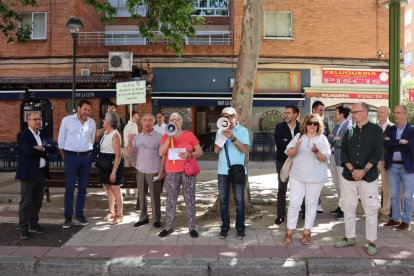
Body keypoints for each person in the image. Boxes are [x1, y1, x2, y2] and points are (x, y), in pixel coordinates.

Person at [335, 102, 382, 256]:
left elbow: (377, 154)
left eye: (355, 112)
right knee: (348, 207)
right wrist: (353, 170)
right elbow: (344, 153)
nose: (352, 115)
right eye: (352, 112)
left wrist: (364, 171)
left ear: (365, 112)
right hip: (349, 176)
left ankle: (372, 241)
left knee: (370, 208)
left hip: (369, 177)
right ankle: (350, 237)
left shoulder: (376, 130)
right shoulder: (349, 130)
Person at [282, 114, 330, 245]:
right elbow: (289, 153)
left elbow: (325, 158)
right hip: (297, 176)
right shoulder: (298, 137)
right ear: (305, 124)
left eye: (316, 124)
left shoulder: (322, 139)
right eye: (310, 123)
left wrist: (316, 152)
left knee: (311, 204)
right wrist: (296, 148)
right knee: (294, 203)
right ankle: (289, 231)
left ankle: (307, 231)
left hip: (316, 178)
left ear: (319, 126)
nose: (312, 126)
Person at [158, 112, 203, 238]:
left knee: (190, 198)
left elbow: (200, 151)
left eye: (176, 119)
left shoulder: (189, 135)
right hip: (172, 171)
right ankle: (169, 226)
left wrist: (190, 155)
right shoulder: (166, 136)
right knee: (171, 199)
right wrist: (169, 138)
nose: (174, 122)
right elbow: (162, 152)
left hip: (187, 170)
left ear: (181, 122)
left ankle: (192, 227)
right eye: (171, 120)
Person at [58, 99, 96, 229]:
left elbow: (91, 141)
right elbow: (61, 141)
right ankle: (68, 217)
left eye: (89, 110)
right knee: (69, 188)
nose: (87, 112)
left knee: (83, 188)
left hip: (86, 158)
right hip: (71, 157)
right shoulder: (67, 120)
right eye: (85, 109)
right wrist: (66, 158)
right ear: (78, 108)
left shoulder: (92, 123)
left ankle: (79, 214)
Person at [214, 107, 250, 239]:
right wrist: (223, 136)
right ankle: (225, 228)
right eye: (224, 116)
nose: (227, 118)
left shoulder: (243, 130)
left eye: (229, 116)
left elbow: (244, 150)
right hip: (223, 170)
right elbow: (216, 150)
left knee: (239, 201)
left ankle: (240, 228)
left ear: (235, 117)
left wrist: (233, 138)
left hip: (238, 170)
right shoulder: (220, 130)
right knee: (224, 200)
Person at [16, 112, 50, 240]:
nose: (37, 121)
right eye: (34, 119)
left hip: (41, 173)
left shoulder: (42, 134)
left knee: (38, 200)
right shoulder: (23, 135)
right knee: (26, 202)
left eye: (39, 118)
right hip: (28, 173)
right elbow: (27, 151)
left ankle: (33, 224)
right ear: (28, 121)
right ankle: (23, 228)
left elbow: (51, 148)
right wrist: (42, 149)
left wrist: (41, 148)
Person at [128, 113, 164, 228]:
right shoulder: (137, 137)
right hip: (140, 170)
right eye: (145, 120)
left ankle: (156, 219)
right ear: (141, 122)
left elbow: (164, 155)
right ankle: (143, 218)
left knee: (155, 196)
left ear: (153, 122)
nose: (147, 122)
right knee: (141, 196)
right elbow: (129, 153)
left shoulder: (159, 136)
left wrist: (162, 170)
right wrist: (129, 142)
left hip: (154, 170)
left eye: (150, 120)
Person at [383, 105, 414, 231]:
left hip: (407, 166)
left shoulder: (412, 129)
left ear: (405, 114)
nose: (395, 115)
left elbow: (410, 147)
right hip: (393, 165)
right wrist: (400, 141)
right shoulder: (390, 129)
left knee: (407, 196)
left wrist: (393, 143)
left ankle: (406, 220)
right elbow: (385, 143)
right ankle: (395, 219)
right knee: (394, 195)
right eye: (394, 113)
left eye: (399, 113)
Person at [273, 106, 300, 225]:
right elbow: (279, 143)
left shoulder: (302, 127)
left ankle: (301, 213)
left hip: (299, 162)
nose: (285, 115)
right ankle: (280, 215)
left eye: (288, 113)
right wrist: (294, 145)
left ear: (295, 114)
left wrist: (288, 143)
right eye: (285, 113)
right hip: (282, 161)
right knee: (282, 188)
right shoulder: (279, 127)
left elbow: (303, 144)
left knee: (299, 189)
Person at [99, 112, 124, 225]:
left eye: (104, 120)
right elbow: (96, 133)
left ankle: (119, 214)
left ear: (109, 122)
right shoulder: (105, 132)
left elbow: (118, 155)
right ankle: (111, 211)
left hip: (114, 164)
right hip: (105, 163)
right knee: (108, 188)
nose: (102, 121)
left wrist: (113, 172)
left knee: (115, 189)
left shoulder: (115, 135)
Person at [327, 106, 351, 220]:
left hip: (341, 158)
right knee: (336, 184)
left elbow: (343, 141)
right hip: (333, 156)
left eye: (336, 113)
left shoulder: (349, 125)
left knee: (343, 185)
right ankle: (340, 205)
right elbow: (329, 137)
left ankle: (345, 209)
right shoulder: (337, 125)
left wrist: (336, 138)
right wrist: (335, 138)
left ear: (342, 114)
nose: (334, 115)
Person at [311, 100, 330, 214]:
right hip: (308, 157)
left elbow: (327, 139)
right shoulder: (307, 121)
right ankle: (302, 205)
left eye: (323, 110)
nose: (322, 112)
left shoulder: (325, 124)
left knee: (318, 182)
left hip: (320, 157)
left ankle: (317, 204)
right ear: (313, 110)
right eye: (320, 110)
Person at [376, 106, 394, 222]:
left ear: (387, 114)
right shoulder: (373, 127)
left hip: (385, 161)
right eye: (377, 112)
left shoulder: (393, 127)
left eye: (381, 112)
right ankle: (372, 209)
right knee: (370, 187)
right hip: (372, 161)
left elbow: (394, 144)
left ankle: (385, 212)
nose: (378, 114)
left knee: (386, 188)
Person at [123, 110, 140, 198]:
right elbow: (135, 139)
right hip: (132, 150)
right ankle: (136, 193)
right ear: (133, 116)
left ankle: (127, 192)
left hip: (125, 149)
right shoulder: (134, 125)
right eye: (137, 115)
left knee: (127, 171)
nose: (138, 117)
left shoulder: (126, 126)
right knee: (135, 171)